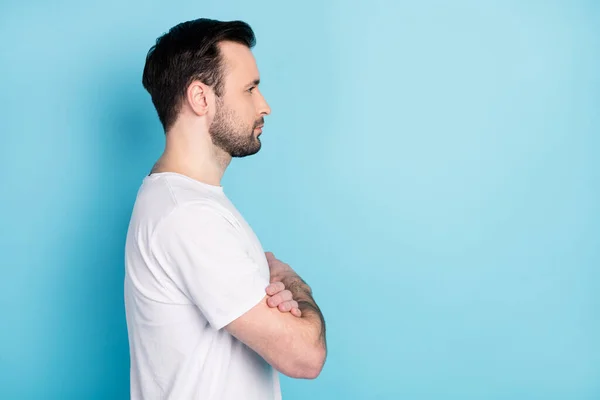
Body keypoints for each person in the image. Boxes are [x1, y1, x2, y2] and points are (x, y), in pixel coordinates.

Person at [123, 18, 327, 399]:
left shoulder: (190, 203)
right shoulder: (187, 215)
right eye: (249, 89)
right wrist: (295, 286)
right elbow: (305, 356)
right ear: (201, 98)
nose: (264, 105)